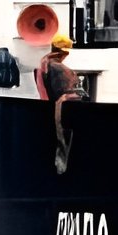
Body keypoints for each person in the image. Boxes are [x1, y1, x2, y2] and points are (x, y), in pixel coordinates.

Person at [35, 31, 82, 174]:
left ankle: (55, 171)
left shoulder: (42, 65)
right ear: (62, 52)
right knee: (64, 145)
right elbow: (68, 93)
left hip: (47, 110)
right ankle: (62, 173)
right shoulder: (60, 69)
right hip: (61, 112)